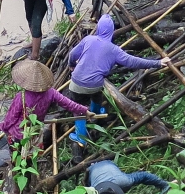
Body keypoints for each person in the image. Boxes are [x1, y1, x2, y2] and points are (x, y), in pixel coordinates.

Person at [66, 15, 167, 159]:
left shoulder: (89, 39)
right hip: (95, 85)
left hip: (76, 83)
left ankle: (81, 138)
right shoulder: (114, 50)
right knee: (97, 96)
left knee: (78, 110)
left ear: (98, 28)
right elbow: (133, 62)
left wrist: (72, 64)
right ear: (112, 31)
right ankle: (95, 116)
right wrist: (157, 63)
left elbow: (72, 54)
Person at [0, 60, 89, 143]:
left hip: (19, 134)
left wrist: (1, 126)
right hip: (36, 132)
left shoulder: (21, 96)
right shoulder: (51, 93)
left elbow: (11, 117)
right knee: (32, 154)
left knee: (17, 157)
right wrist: (84, 110)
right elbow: (69, 104)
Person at [88, 160, 170, 194]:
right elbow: (145, 175)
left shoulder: (90, 171)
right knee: (142, 176)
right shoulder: (109, 163)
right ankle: (166, 187)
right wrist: (164, 185)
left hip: (101, 190)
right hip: (120, 180)